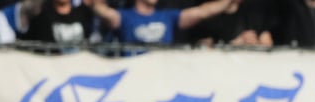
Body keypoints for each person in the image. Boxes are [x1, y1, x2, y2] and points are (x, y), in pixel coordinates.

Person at [90, 0, 233, 45]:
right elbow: (98, 8)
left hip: (163, 76)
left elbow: (204, 11)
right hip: (134, 77)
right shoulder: (124, 16)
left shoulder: (168, 16)